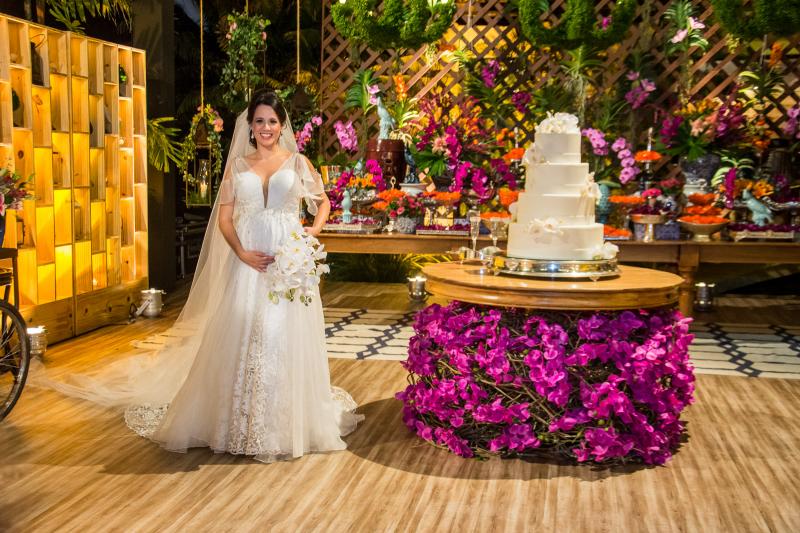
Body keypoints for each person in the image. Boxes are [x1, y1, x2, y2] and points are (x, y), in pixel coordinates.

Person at [33, 90, 364, 463]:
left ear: (282, 125)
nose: (266, 127)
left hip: (287, 259)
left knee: (281, 335)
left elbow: (323, 202)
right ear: (250, 126)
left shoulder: (298, 162)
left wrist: (312, 231)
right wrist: (241, 253)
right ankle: (242, 419)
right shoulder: (238, 167)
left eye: (272, 121)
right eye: (259, 121)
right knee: (245, 332)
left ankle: (284, 422)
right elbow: (224, 219)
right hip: (249, 261)